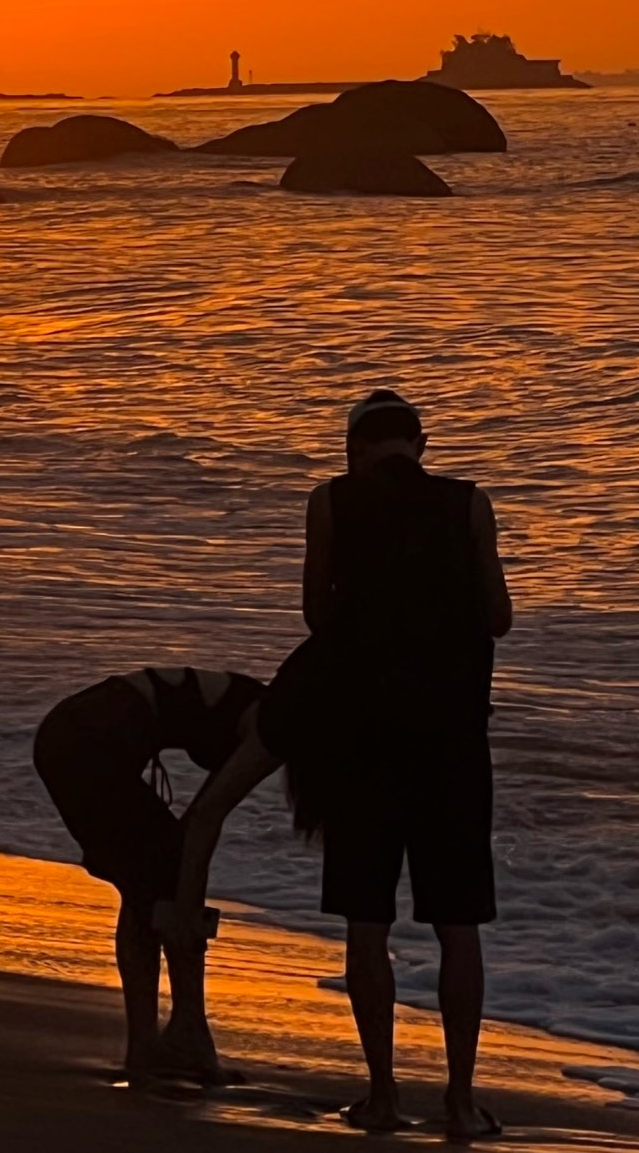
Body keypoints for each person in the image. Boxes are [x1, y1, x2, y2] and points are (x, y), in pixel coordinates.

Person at [162, 391, 512, 1141]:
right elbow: (500, 618)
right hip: (452, 745)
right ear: (419, 444)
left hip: (362, 743)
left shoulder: (330, 502)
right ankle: (459, 1100)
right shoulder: (470, 504)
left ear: (356, 448)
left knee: (367, 920)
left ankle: (382, 1096)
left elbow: (316, 615)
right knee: (458, 925)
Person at [33, 663, 266, 1083]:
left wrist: (184, 891)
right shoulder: (271, 725)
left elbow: (200, 816)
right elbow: (206, 817)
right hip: (86, 745)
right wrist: (187, 896)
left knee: (149, 885)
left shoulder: (258, 703)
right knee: (165, 878)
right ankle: (183, 1036)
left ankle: (157, 1041)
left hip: (65, 735)